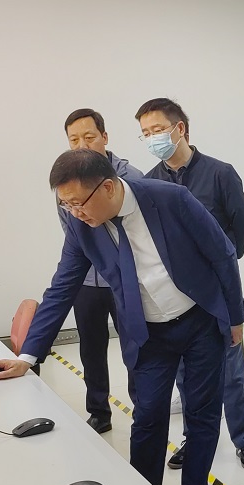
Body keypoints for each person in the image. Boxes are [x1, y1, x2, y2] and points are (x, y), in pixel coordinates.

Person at [0, 149, 244, 485]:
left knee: (202, 414)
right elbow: (62, 287)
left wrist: (235, 318)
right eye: (65, 205)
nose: (74, 212)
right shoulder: (82, 227)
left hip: (200, 320)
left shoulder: (171, 199)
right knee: (147, 417)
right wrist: (27, 355)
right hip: (148, 333)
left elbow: (222, 254)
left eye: (77, 203)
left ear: (107, 187)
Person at [136, 98, 244, 471]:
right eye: (145, 133)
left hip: (217, 291)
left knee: (231, 369)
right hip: (176, 298)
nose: (152, 138)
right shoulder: (148, 183)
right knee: (185, 374)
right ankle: (193, 438)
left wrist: (218, 265)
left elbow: (240, 227)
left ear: (180, 129)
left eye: (157, 130)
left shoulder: (220, 174)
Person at [59, 108, 142, 434]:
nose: (82, 145)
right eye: (74, 140)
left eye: (89, 137)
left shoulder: (131, 177)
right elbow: (74, 236)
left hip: (126, 281)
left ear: (105, 137)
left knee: (135, 348)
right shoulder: (66, 183)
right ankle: (98, 412)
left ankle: (144, 411)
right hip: (87, 282)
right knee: (91, 350)